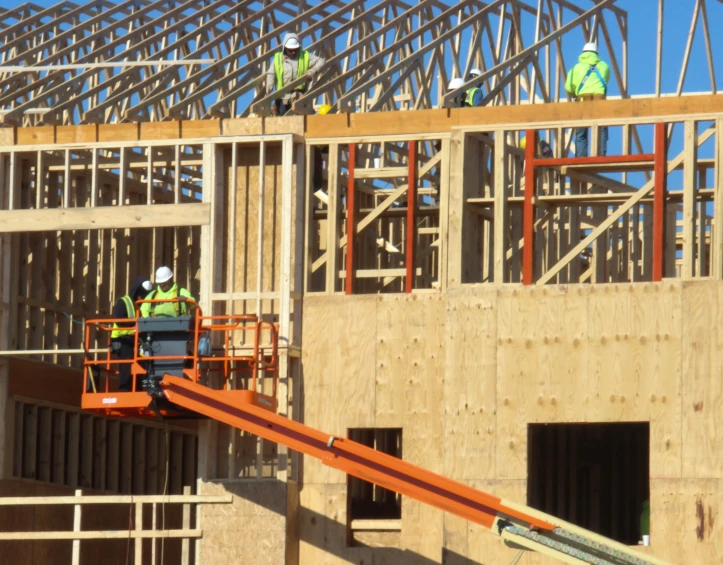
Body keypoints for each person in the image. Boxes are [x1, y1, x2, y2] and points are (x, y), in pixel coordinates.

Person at [565, 42, 610, 157]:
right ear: (596, 54)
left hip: (582, 100)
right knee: (602, 128)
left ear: (583, 54)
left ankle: (580, 156)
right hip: (599, 99)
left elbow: (568, 87)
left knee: (581, 132)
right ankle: (601, 155)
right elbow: (606, 79)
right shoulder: (604, 66)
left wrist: (576, 91)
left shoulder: (576, 68)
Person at [264, 32, 325, 116]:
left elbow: (321, 61)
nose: (293, 52)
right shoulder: (278, 58)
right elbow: (271, 73)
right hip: (283, 97)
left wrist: (313, 71)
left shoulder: (304, 56)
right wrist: (269, 85)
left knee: (301, 120)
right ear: (285, 48)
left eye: (295, 50)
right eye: (290, 50)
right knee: (282, 120)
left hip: (298, 96)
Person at [110, 276, 152, 392]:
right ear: (136, 291)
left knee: (144, 360)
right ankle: (124, 388)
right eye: (141, 294)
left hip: (134, 339)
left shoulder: (137, 305)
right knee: (126, 364)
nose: (142, 297)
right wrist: (136, 322)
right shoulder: (123, 302)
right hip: (122, 339)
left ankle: (138, 388)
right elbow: (119, 321)